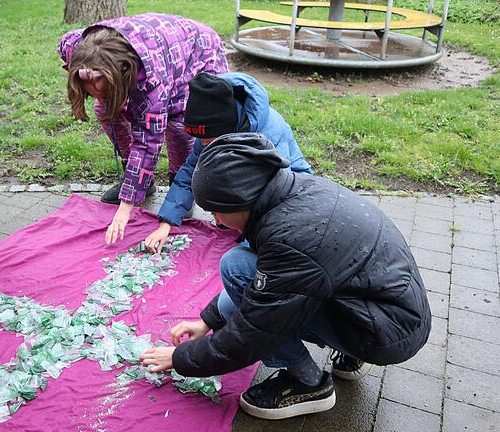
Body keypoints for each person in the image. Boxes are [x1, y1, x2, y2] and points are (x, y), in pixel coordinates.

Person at [140, 134, 431, 420]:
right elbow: (265, 290)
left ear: (241, 200)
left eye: (216, 210)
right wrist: (207, 321)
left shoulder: (290, 239)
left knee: (237, 268)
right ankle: (351, 352)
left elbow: (254, 332)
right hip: (385, 307)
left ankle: (309, 383)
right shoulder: (290, 190)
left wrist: (180, 359)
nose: (215, 220)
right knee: (242, 288)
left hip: (383, 331)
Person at [57, 13, 228, 245]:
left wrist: (125, 208)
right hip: (153, 45)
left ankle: (179, 188)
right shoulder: (79, 49)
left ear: (122, 75)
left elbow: (147, 143)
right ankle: (141, 182)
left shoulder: (152, 85)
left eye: (104, 90)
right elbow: (67, 43)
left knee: (178, 125)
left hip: (195, 52)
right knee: (104, 110)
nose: (95, 92)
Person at [143, 71, 312, 253]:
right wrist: (167, 222)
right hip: (246, 179)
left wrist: (251, 244)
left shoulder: (268, 133)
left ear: (226, 130)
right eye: (201, 139)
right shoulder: (213, 130)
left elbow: (274, 192)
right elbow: (191, 170)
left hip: (293, 192)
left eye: (208, 139)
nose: (204, 143)